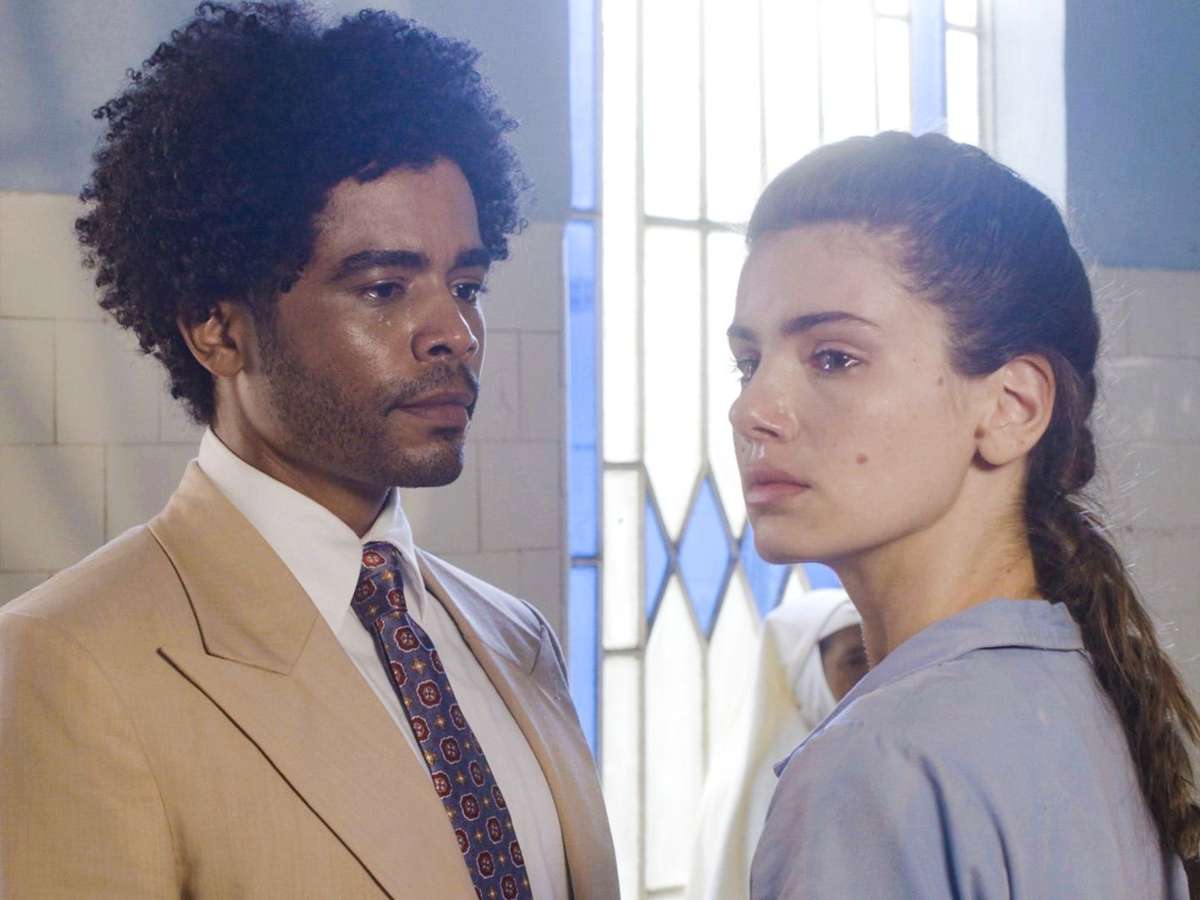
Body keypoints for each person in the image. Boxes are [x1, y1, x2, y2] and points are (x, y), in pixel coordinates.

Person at [0, 4, 618, 898]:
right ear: (217, 329)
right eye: (384, 288)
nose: (455, 331)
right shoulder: (70, 663)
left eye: (466, 283)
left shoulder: (516, 637)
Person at [726, 131, 1199, 898]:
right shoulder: (1090, 695)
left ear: (1012, 407)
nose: (752, 409)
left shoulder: (875, 766)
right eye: (748, 363)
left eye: (834, 357)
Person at [685, 587, 865, 900]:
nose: (871, 673)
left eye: (875, 656)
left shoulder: (860, 753)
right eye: (854, 661)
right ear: (806, 669)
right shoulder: (760, 781)